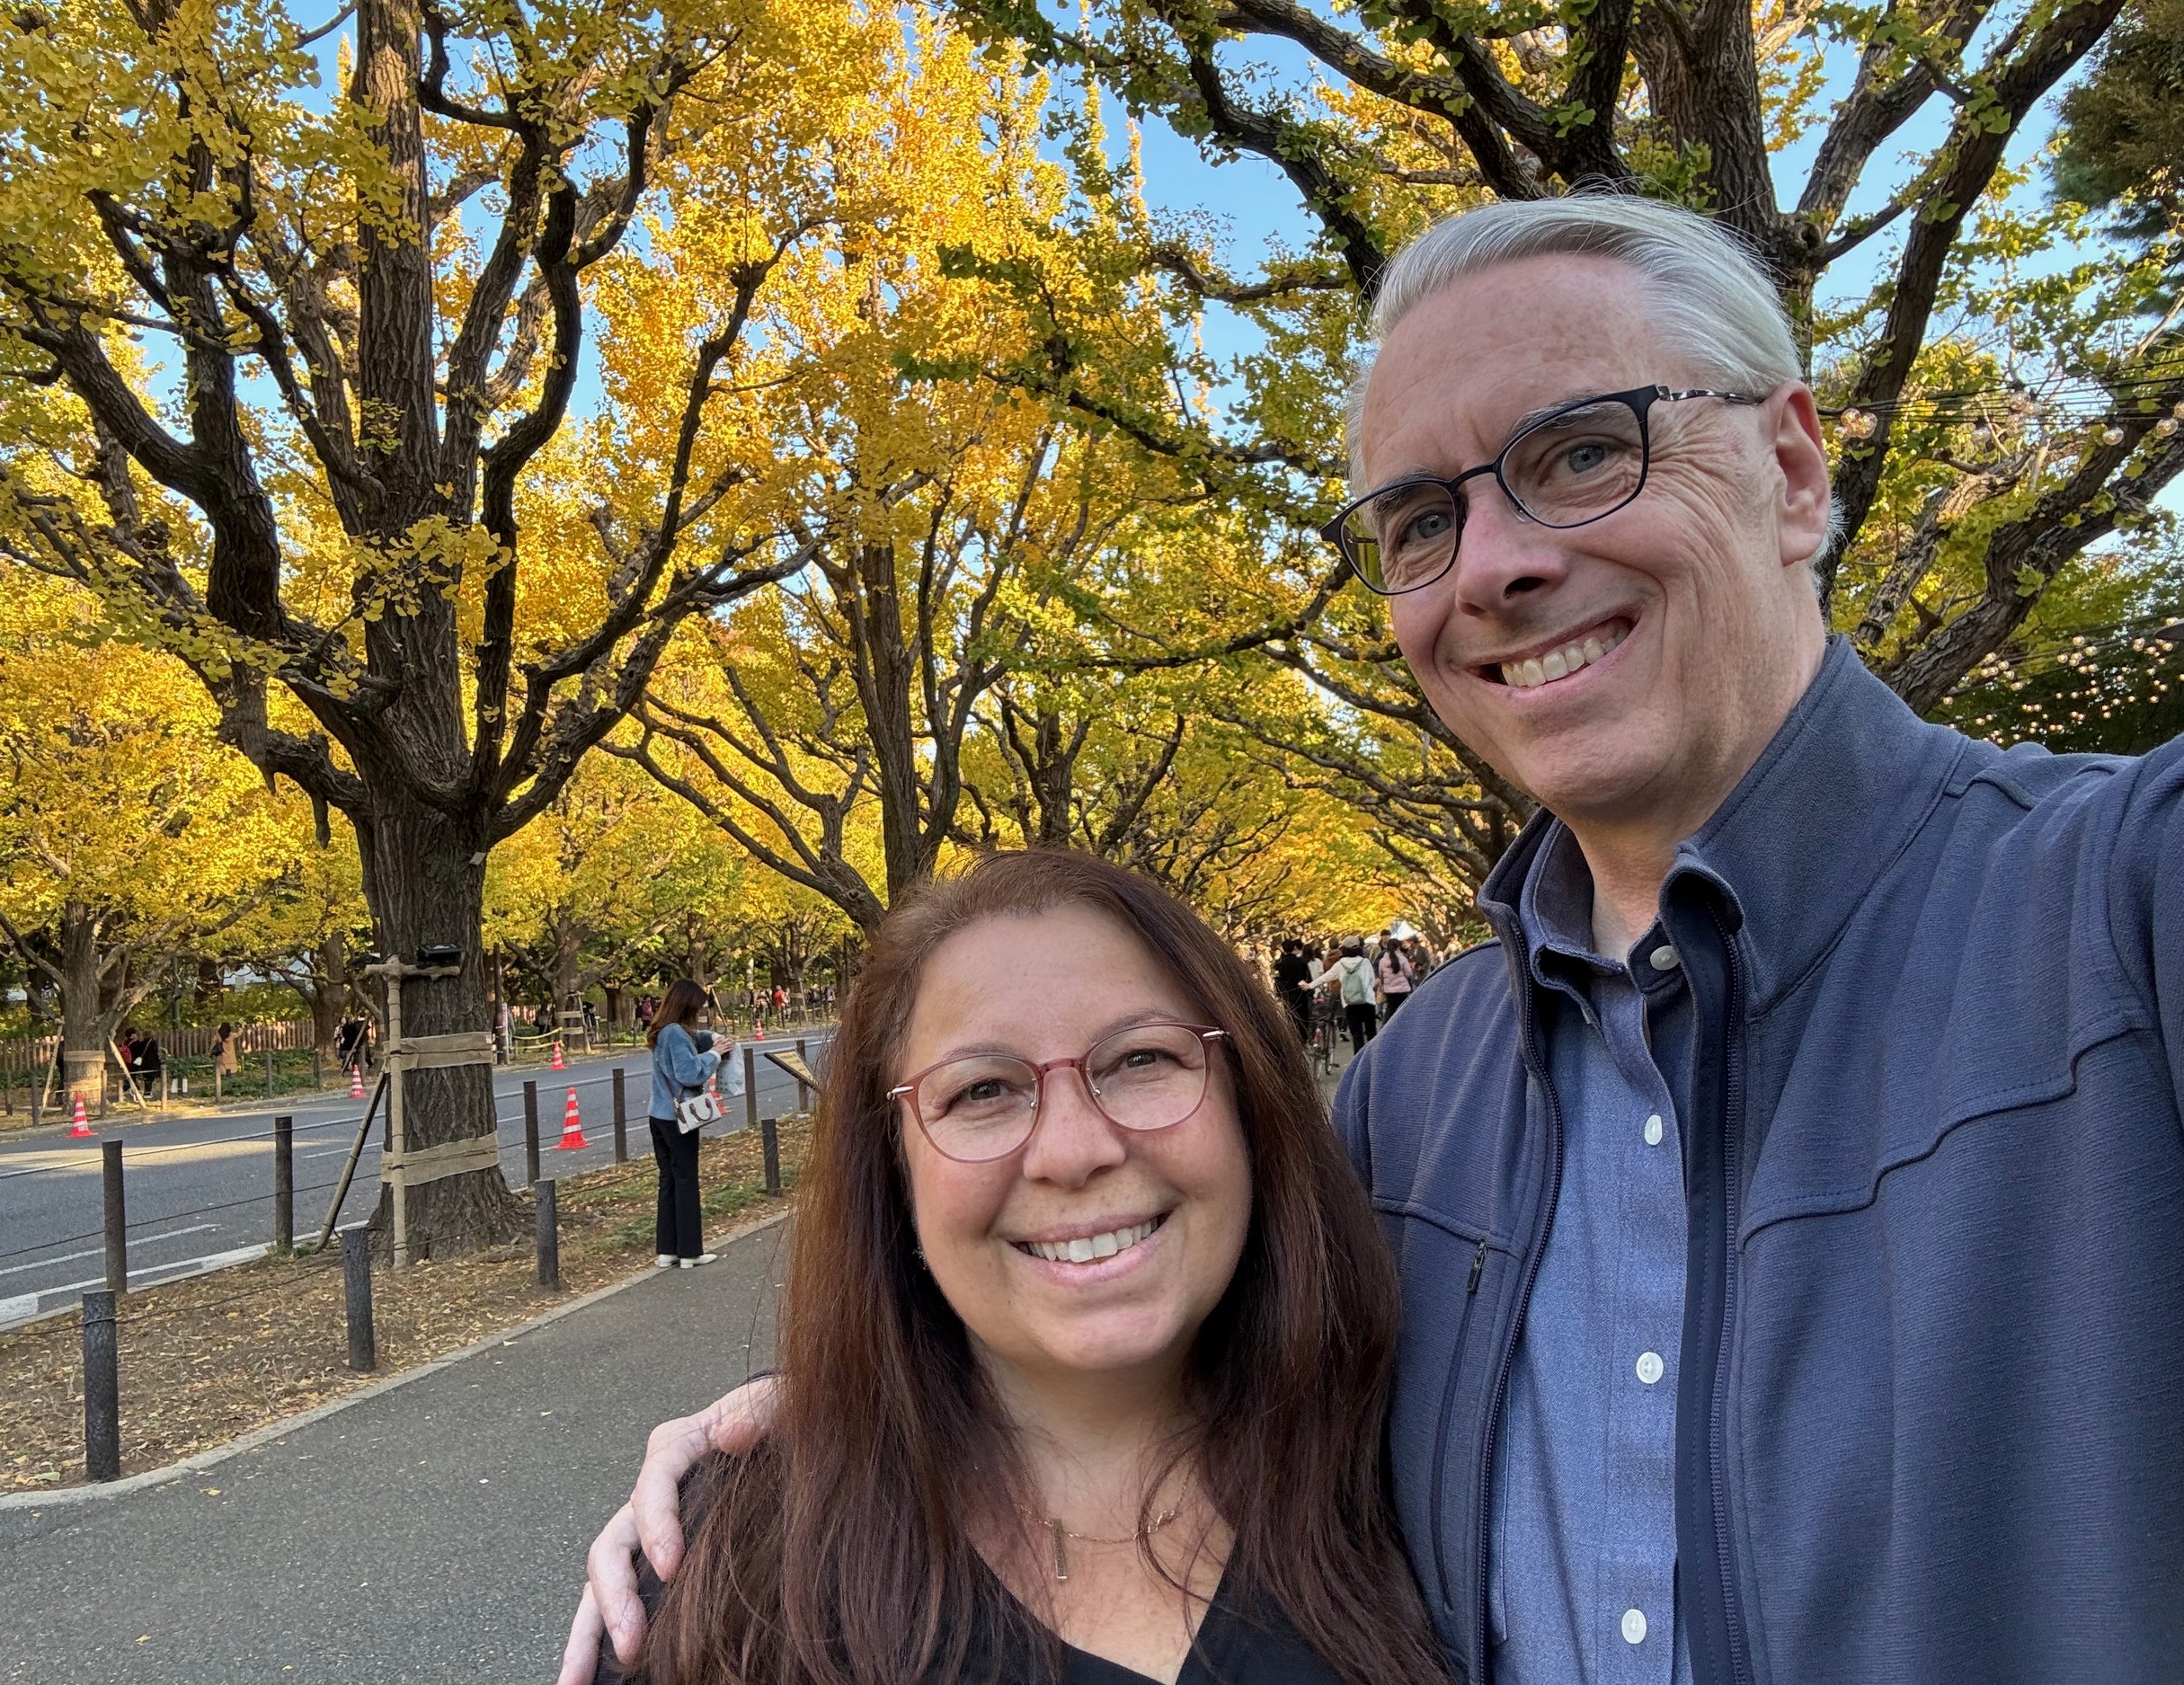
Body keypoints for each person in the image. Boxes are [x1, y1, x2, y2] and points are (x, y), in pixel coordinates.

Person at [570, 195, 2184, 1685]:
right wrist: (854, 1422)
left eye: (1583, 452)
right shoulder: (1423, 1095)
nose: (1497, 565)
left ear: (1796, 471)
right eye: (1419, 521)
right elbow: (1160, 1310)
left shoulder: (2118, 910)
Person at [578, 850, 1443, 1685]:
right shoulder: (731, 1592)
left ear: (1253, 1108)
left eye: (1141, 1058)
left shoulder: (1429, 1466)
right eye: (982, 1090)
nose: (1072, 1150)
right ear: (895, 1175)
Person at [646, 980, 736, 1269]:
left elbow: (695, 1040)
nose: (698, 1013)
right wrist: (714, 1054)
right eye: (697, 1007)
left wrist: (713, 1039)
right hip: (679, 1117)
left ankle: (667, 1250)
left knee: (668, 1180)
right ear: (687, 1005)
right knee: (686, 1180)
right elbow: (689, 1073)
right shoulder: (676, 1033)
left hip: (659, 1114)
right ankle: (689, 1252)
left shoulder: (663, 1030)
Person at [1301, 938, 1378, 1054]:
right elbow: (1372, 982)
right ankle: (1374, 1058)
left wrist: (1310, 985)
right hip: (1367, 1001)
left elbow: (1326, 977)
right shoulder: (1365, 962)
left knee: (1357, 1036)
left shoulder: (1340, 964)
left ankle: (1359, 1061)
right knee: (1371, 1033)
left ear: (1344, 949)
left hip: (1350, 1002)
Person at [1272, 937, 1314, 1046]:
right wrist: (1310, 990)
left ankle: (1294, 1039)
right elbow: (1308, 978)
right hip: (1301, 993)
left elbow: (1276, 974)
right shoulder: (1301, 962)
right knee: (1303, 1017)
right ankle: (1303, 1039)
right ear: (1294, 948)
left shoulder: (1280, 964)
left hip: (1287, 994)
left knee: (1290, 1017)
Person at [1372, 936, 1414, 1024]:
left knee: (1390, 1009)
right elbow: (1409, 973)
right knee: (1404, 1009)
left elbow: (1381, 975)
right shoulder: (1402, 959)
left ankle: (1386, 1027)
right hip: (1402, 989)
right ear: (1398, 947)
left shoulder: (1382, 961)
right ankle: (1404, 1025)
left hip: (1389, 990)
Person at [210, 1023, 239, 1094]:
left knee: (222, 1079)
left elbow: (212, 1047)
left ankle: (222, 1092)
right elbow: (240, 1032)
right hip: (231, 1059)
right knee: (232, 1079)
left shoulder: (217, 1037)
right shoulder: (232, 1036)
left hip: (221, 1059)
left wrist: (217, 1031)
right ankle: (232, 1091)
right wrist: (236, 1027)